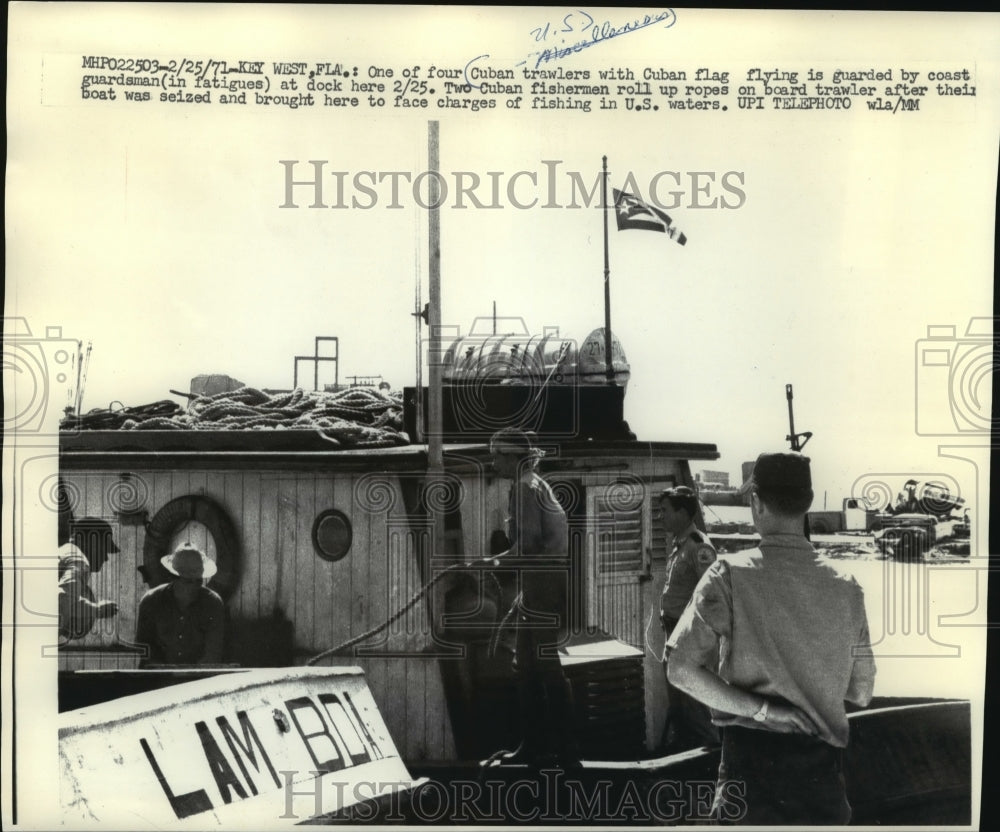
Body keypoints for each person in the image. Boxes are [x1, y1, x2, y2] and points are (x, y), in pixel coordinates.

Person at [667, 452, 876, 825]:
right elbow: (860, 692)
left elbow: (680, 669)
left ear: (756, 502)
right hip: (822, 782)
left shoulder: (729, 574)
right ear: (808, 504)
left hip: (752, 780)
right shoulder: (847, 588)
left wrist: (764, 710)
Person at [485, 427, 576, 767]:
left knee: (545, 666)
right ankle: (536, 745)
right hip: (540, 583)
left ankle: (564, 750)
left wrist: (488, 563)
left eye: (497, 456)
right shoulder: (535, 483)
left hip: (542, 584)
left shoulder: (524, 489)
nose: (494, 463)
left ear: (512, 457)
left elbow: (529, 545)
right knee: (526, 666)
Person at [657, 485, 720, 753]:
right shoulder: (680, 544)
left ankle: (708, 752)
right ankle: (686, 748)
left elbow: (712, 594)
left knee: (693, 699)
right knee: (679, 696)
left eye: (665, 511)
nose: (661, 517)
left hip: (689, 635)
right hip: (674, 632)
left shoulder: (698, 546)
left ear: (683, 513)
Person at [135, 545, 225, 666]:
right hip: (159, 676)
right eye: (188, 581)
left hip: (199, 679)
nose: (194, 586)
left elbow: (213, 652)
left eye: (198, 580)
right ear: (174, 578)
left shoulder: (213, 603)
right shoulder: (151, 601)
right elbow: (144, 646)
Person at [58, 518, 120, 641]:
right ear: (85, 541)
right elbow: (62, 600)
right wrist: (96, 610)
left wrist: (95, 610)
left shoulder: (64, 551)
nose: (106, 558)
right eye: (103, 548)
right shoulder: (79, 560)